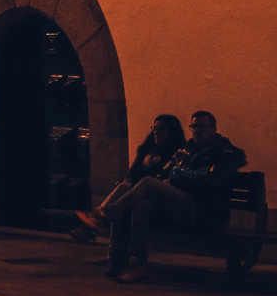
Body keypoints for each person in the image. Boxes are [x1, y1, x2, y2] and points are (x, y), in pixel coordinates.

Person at [101, 108, 245, 282]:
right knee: (139, 203)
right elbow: (167, 173)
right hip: (178, 204)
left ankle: (113, 211)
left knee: (147, 183)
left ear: (214, 129)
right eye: (194, 126)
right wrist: (177, 171)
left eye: (202, 126)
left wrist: (180, 174)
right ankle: (125, 262)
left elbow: (210, 180)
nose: (197, 130)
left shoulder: (225, 152)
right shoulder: (188, 150)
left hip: (203, 208)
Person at [72, 113, 184, 242]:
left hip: (156, 193)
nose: (156, 132)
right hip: (137, 189)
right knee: (124, 185)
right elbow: (132, 174)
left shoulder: (176, 152)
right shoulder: (147, 150)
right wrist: (146, 165)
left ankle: (101, 218)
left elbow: (163, 178)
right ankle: (96, 221)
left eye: (161, 129)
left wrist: (155, 166)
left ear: (171, 132)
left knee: (132, 189)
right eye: (154, 128)